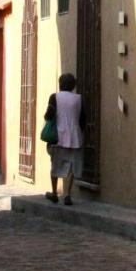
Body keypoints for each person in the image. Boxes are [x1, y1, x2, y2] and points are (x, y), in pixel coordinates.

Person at [44, 72, 84, 205]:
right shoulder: (79, 99)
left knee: (55, 164)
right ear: (73, 85)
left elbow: (48, 116)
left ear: (60, 84)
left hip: (58, 137)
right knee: (71, 166)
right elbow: (82, 118)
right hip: (75, 136)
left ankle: (54, 192)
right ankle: (67, 194)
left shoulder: (54, 97)